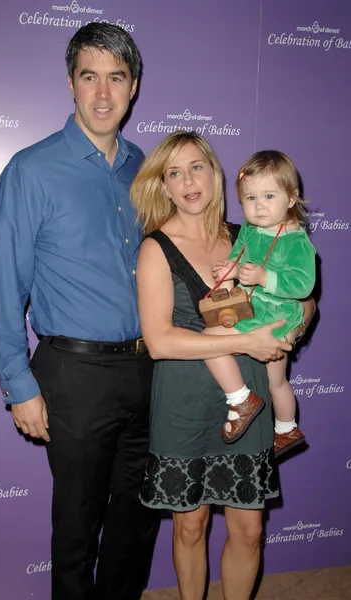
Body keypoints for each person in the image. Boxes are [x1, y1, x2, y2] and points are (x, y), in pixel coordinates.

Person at [0, 23, 160, 600]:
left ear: (133, 87)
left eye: (117, 78)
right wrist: (18, 384)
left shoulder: (149, 170)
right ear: (70, 84)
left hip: (151, 370)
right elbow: (4, 285)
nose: (104, 94)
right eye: (91, 77)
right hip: (74, 376)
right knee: (78, 528)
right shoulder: (31, 170)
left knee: (136, 526)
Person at [130, 131, 315, 600]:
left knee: (249, 530)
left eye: (198, 167)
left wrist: (293, 328)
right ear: (163, 186)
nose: (188, 181)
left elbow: (304, 297)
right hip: (185, 402)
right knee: (189, 528)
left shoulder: (249, 232)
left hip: (252, 397)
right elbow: (159, 341)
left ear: (215, 175)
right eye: (175, 172)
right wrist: (251, 337)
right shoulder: (155, 248)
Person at [203, 150, 315, 457]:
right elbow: (239, 254)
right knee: (276, 381)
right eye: (250, 198)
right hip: (255, 308)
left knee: (210, 340)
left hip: (275, 315)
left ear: (291, 198)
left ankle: (240, 399)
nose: (259, 205)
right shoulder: (250, 230)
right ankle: (287, 427)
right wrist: (230, 270)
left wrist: (265, 278)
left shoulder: (296, 241)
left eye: (269, 195)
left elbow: (304, 285)